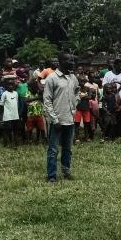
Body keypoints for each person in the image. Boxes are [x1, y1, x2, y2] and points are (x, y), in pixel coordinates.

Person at [43, 53, 79, 183]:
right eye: (69, 60)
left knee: (67, 148)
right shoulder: (52, 78)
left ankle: (66, 171)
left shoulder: (73, 77)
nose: (72, 61)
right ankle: (51, 176)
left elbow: (77, 92)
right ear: (61, 61)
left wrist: (74, 107)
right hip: (57, 121)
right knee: (53, 149)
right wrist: (54, 119)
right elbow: (47, 101)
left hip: (70, 119)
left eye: (72, 59)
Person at [0, 78, 20, 147]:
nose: (10, 86)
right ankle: (8, 142)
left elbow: (16, 103)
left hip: (15, 115)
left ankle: (15, 143)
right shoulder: (4, 94)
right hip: (7, 115)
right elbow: (1, 105)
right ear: (6, 86)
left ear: (14, 85)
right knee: (8, 130)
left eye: (12, 84)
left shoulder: (16, 93)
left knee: (15, 130)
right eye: (9, 85)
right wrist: (3, 114)